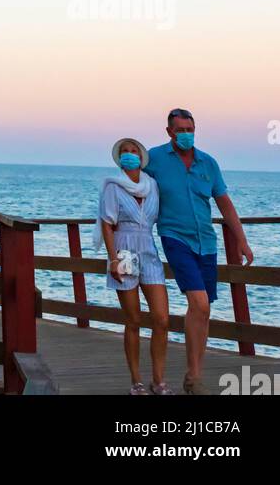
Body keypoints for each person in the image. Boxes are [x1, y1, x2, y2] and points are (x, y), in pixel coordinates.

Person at [146, 107, 254, 396]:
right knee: (200, 303)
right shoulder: (154, 158)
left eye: (190, 130)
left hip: (206, 241)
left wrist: (241, 239)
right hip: (174, 236)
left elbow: (224, 203)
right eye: (179, 130)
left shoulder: (208, 163)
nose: (185, 135)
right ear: (169, 131)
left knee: (202, 310)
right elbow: (132, 185)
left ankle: (194, 376)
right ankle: (193, 378)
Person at [96, 138, 173, 395]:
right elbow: (107, 224)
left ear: (141, 156)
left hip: (149, 250)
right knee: (133, 320)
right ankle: (137, 381)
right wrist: (113, 259)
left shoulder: (152, 186)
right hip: (124, 250)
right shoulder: (113, 186)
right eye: (124, 152)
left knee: (161, 319)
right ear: (119, 158)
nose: (129, 154)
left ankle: (158, 381)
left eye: (133, 151)